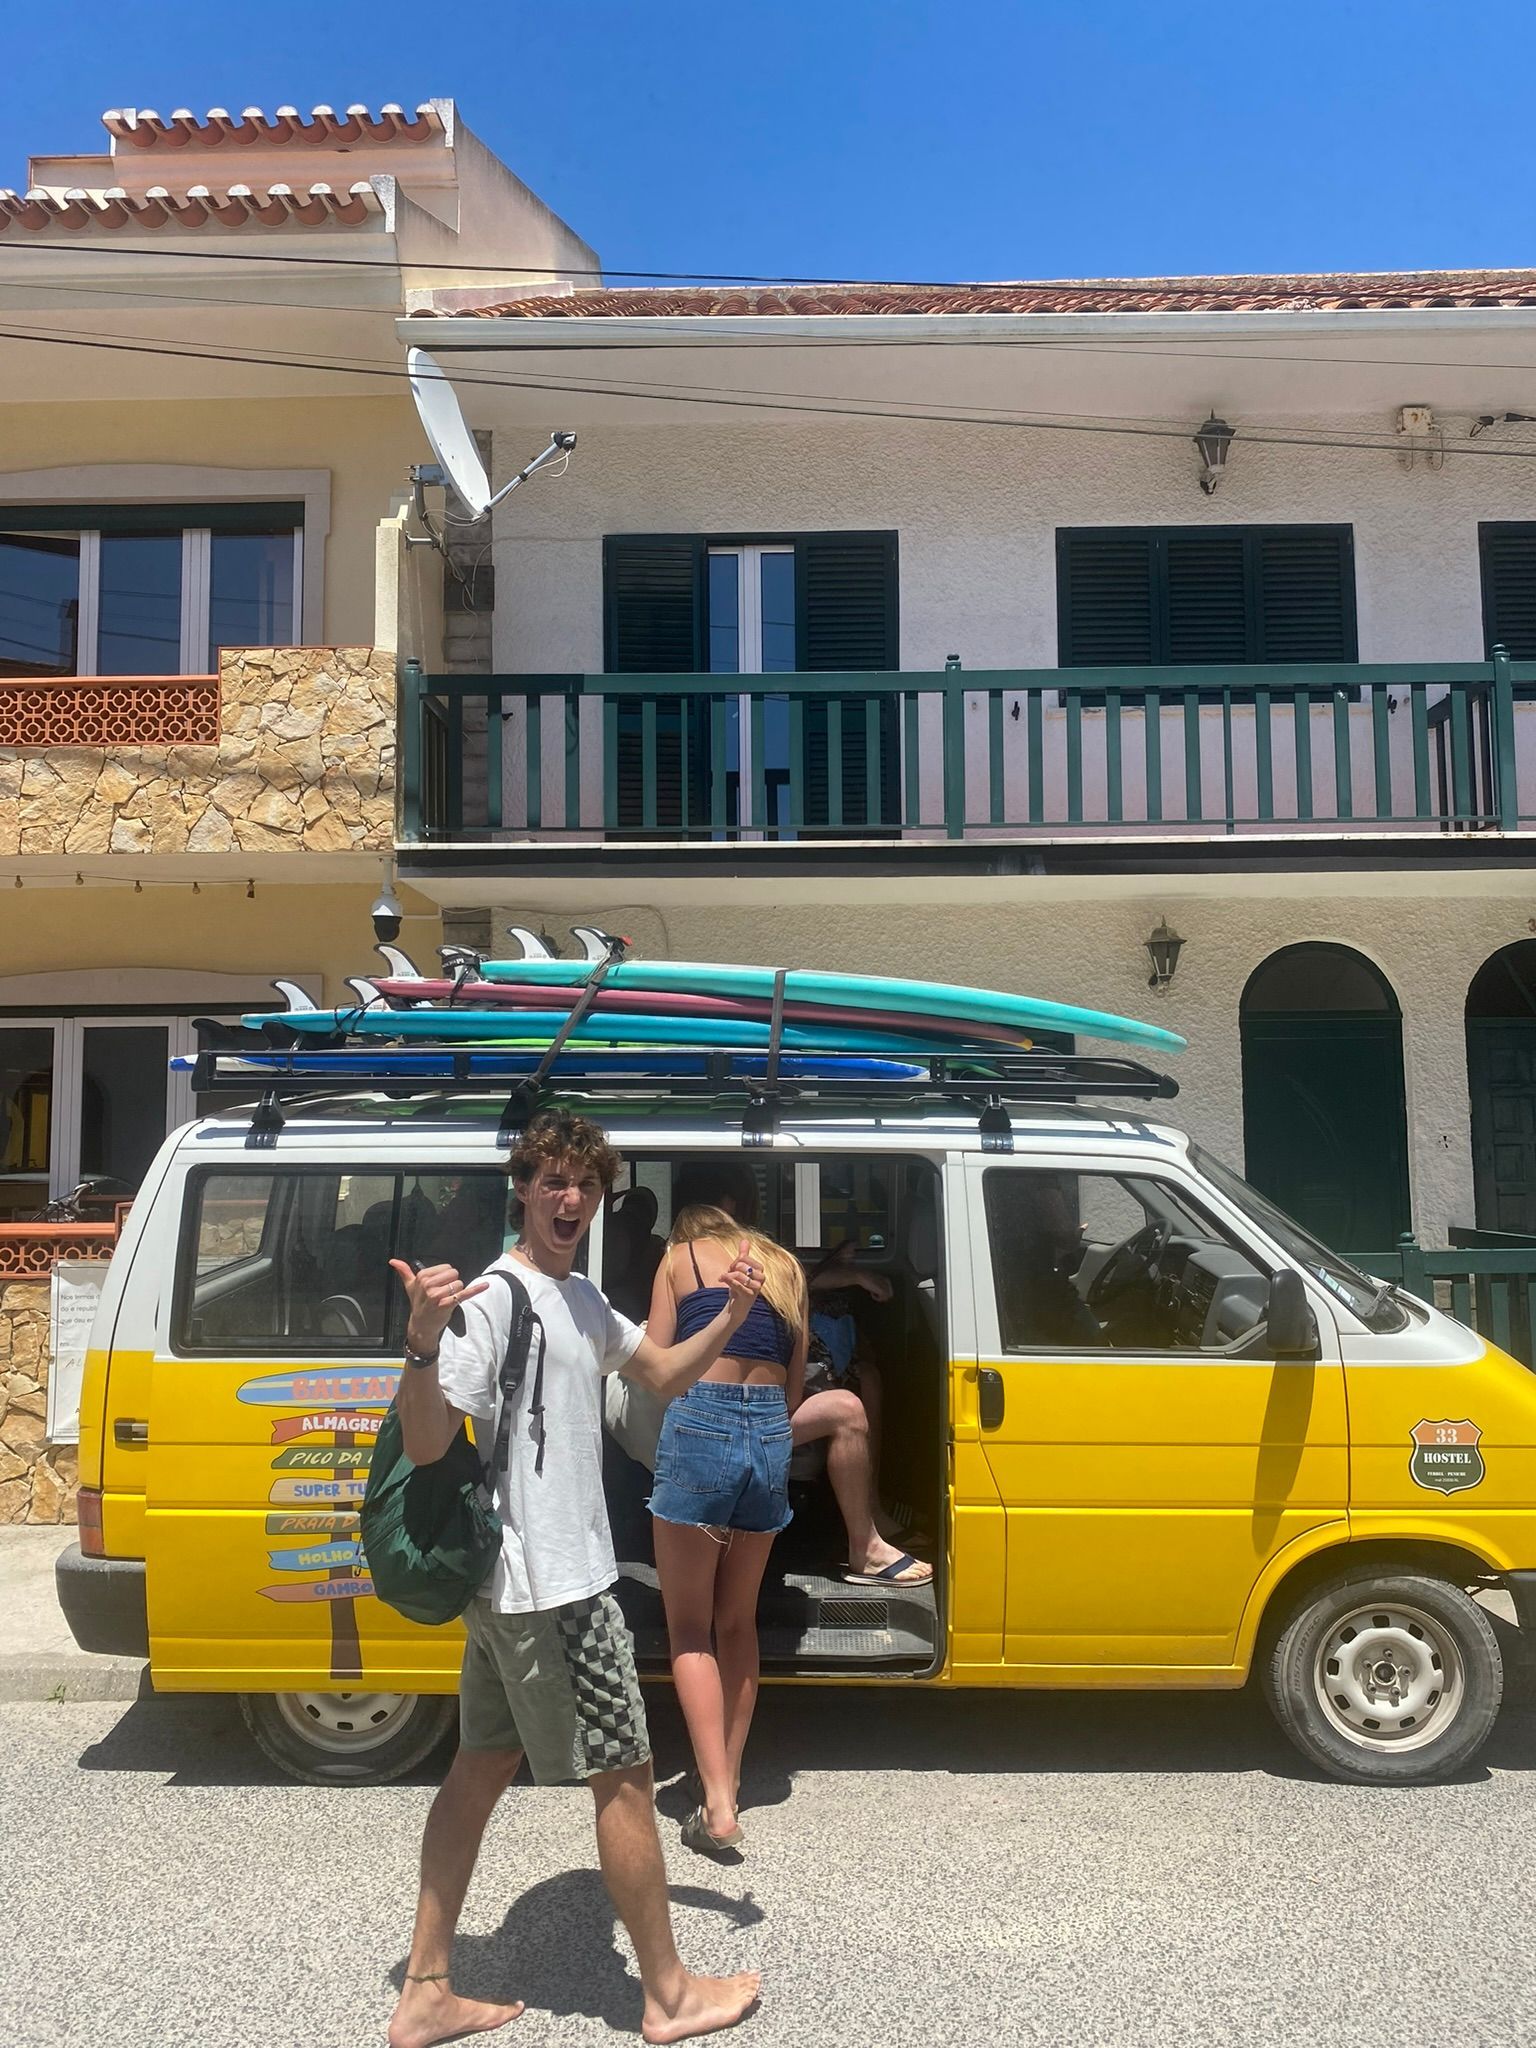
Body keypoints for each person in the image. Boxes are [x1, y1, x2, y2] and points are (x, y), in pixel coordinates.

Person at [386, 1110, 763, 2048]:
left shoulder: (581, 1299)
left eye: (585, 1186)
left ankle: (427, 1990)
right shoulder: (493, 1298)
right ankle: (669, 1996)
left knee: (480, 1768)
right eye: (552, 1181)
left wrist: (739, 1316)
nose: (570, 1199)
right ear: (521, 1187)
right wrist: (424, 1346)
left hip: (523, 1592)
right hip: (547, 1586)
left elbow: (664, 1374)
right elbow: (432, 1446)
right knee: (628, 1778)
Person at [667, 1164, 930, 1588]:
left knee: (698, 1623)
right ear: (732, 1206)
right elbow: (791, 1381)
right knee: (854, 1398)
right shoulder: (774, 1262)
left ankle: (868, 1526)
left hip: (691, 1423)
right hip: (725, 1428)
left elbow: (660, 1365)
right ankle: (866, 1540)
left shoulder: (675, 1259)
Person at [645, 1202, 806, 1858]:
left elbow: (660, 1369)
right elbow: (793, 1391)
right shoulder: (786, 1268)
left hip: (701, 1421)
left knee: (689, 1627)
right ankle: (729, 1783)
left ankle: (714, 1804)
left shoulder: (677, 1259)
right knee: (736, 1622)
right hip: (770, 1428)